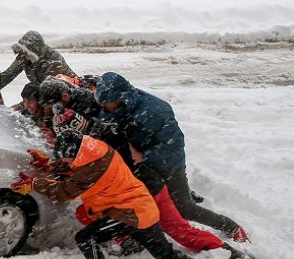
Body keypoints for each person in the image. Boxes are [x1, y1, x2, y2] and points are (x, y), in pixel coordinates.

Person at [12, 130, 240, 259]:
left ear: (77, 154)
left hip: (128, 214)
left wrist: (34, 183)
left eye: (69, 159)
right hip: (142, 208)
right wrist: (51, 164)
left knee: (85, 238)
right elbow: (75, 171)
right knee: (166, 255)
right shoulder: (95, 149)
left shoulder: (90, 167)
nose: (68, 163)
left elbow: (65, 191)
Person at [95, 72, 249, 242]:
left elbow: (174, 146)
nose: (103, 106)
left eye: (106, 102)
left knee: (185, 209)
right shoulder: (115, 106)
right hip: (143, 164)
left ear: (119, 98)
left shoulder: (155, 111)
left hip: (168, 164)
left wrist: (143, 155)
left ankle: (230, 226)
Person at [0, 30, 78, 90]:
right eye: (21, 52)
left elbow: (47, 90)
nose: (22, 56)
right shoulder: (24, 56)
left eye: (25, 53)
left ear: (34, 52)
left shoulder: (53, 61)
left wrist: (21, 105)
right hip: (45, 91)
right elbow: (8, 74)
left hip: (68, 92)